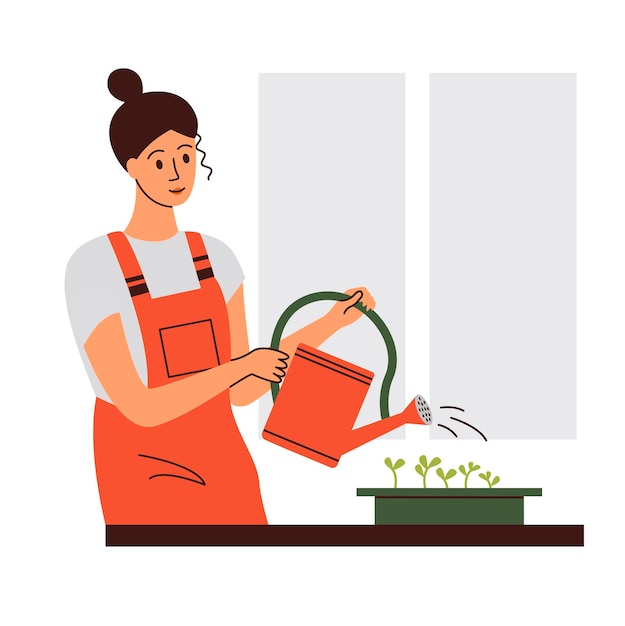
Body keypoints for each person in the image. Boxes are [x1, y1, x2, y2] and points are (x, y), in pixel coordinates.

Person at [65, 68, 375, 525]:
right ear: (131, 167)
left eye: (186, 155)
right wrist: (240, 367)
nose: (176, 172)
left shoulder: (214, 258)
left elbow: (245, 389)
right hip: (145, 471)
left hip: (224, 462)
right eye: (158, 160)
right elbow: (140, 407)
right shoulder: (95, 266)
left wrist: (332, 321)